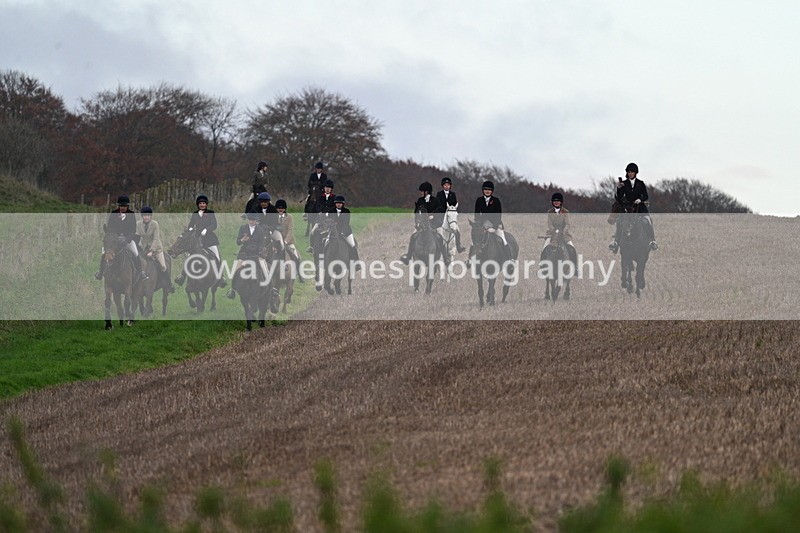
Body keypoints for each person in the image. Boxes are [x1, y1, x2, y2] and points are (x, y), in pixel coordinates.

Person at [95, 195, 148, 282]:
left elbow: (133, 229)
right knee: (105, 253)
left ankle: (141, 272)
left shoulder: (131, 214)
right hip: (114, 239)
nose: (123, 207)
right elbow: (110, 228)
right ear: (118, 206)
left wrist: (127, 240)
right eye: (121, 206)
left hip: (127, 239)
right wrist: (114, 237)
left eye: (125, 206)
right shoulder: (113, 214)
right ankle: (100, 273)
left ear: (127, 206)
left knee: (135, 252)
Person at [609, 162, 658, 253]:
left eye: (632, 172)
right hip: (628, 208)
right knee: (621, 222)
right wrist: (619, 188)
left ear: (635, 173)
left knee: (647, 220)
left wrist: (640, 199)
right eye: (628, 172)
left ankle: (652, 240)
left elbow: (646, 195)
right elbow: (619, 196)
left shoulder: (641, 183)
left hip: (640, 207)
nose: (630, 173)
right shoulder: (624, 183)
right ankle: (616, 242)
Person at [179, 194, 225, 287]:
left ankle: (220, 277)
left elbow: (214, 225)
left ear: (206, 204)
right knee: (189, 257)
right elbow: (191, 224)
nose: (202, 205)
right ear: (198, 204)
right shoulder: (195, 214)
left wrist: (206, 230)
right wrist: (191, 229)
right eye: (200, 203)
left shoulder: (211, 213)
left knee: (217, 257)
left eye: (203, 203)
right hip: (196, 240)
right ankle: (182, 276)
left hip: (209, 240)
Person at [400, 182, 448, 265]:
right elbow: (416, 213)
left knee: (440, 236)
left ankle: (445, 257)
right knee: (413, 235)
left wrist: (433, 216)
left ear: (427, 192)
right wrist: (418, 222)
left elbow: (440, 211)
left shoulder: (435, 200)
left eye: (422, 191)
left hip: (434, 225)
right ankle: (408, 256)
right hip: (422, 225)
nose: (420, 192)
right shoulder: (420, 200)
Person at [226, 211, 269, 299]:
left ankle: (271, 289)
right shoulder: (243, 228)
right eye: (250, 220)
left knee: (265, 269)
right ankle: (233, 290)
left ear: (256, 221)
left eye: (254, 220)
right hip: (244, 253)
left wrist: (260, 251)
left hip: (256, 253)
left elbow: (262, 243)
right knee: (236, 270)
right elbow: (238, 242)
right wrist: (242, 240)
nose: (252, 222)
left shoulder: (260, 230)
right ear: (248, 220)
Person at [469, 180, 509, 264]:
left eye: (489, 189)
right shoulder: (479, 200)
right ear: (483, 190)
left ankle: (509, 259)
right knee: (473, 240)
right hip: (482, 224)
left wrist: (494, 227)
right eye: (485, 189)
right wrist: (480, 225)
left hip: (495, 224)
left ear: (492, 191)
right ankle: (469, 260)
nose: (487, 191)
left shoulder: (496, 200)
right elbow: (476, 215)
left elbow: (498, 215)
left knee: (502, 238)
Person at [137, 205, 174, 292]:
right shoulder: (138, 224)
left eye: (148, 215)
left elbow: (156, 239)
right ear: (142, 216)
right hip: (144, 248)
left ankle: (169, 284)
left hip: (156, 248)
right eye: (145, 215)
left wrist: (151, 251)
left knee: (163, 266)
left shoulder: (155, 224)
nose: (146, 217)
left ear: (150, 216)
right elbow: (137, 236)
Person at [541, 192, 577, 263]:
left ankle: (575, 267)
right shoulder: (550, 212)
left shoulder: (566, 212)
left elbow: (567, 224)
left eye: (558, 201)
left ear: (561, 202)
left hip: (564, 233)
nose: (556, 203)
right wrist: (554, 230)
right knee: (544, 248)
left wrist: (564, 231)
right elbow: (549, 224)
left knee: (572, 248)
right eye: (554, 201)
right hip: (553, 233)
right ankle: (542, 266)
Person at [434, 177, 466, 253]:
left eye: (448, 185)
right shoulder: (439, 194)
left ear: (450, 186)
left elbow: (454, 206)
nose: (447, 186)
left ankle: (458, 246)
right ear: (442, 186)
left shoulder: (453, 194)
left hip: (450, 216)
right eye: (445, 185)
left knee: (457, 231)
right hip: (441, 216)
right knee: (435, 229)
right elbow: (437, 205)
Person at [329, 195, 361, 270]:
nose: (338, 204)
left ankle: (356, 263)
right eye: (337, 203)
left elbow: (345, 223)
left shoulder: (346, 211)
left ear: (343, 204)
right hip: (333, 232)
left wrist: (342, 232)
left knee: (352, 246)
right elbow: (329, 222)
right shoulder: (331, 211)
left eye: (340, 203)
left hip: (346, 232)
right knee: (325, 243)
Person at [275, 198, 303, 281]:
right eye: (279, 208)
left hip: (288, 241)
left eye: (282, 208)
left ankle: (300, 274)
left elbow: (290, 230)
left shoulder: (290, 217)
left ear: (285, 209)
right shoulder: (273, 217)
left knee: (296, 256)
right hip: (277, 241)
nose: (280, 209)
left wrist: (286, 241)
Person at [307, 179, 337, 251]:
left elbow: (335, 208)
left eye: (329, 188)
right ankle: (311, 247)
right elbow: (317, 207)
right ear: (324, 188)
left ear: (331, 189)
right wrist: (320, 211)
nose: (327, 189)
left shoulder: (335, 198)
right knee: (313, 232)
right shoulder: (320, 198)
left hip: (331, 221)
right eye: (326, 187)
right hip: (321, 221)